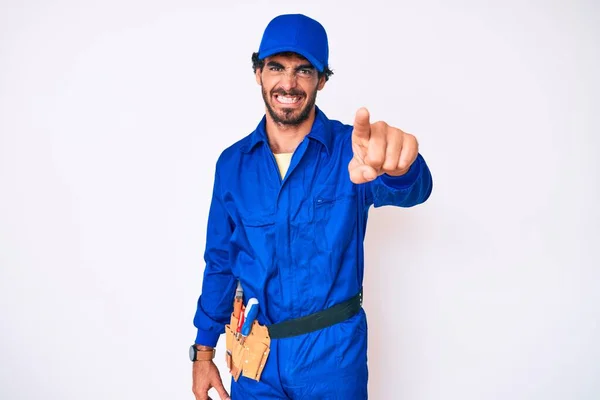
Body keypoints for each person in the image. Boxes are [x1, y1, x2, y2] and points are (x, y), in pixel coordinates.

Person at [190, 13, 433, 400]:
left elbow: (413, 190)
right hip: (255, 361)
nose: (288, 83)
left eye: (304, 70)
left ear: (322, 79)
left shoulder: (352, 150)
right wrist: (203, 353)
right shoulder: (232, 165)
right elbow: (220, 262)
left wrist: (400, 167)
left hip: (332, 359)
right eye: (276, 67)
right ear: (259, 73)